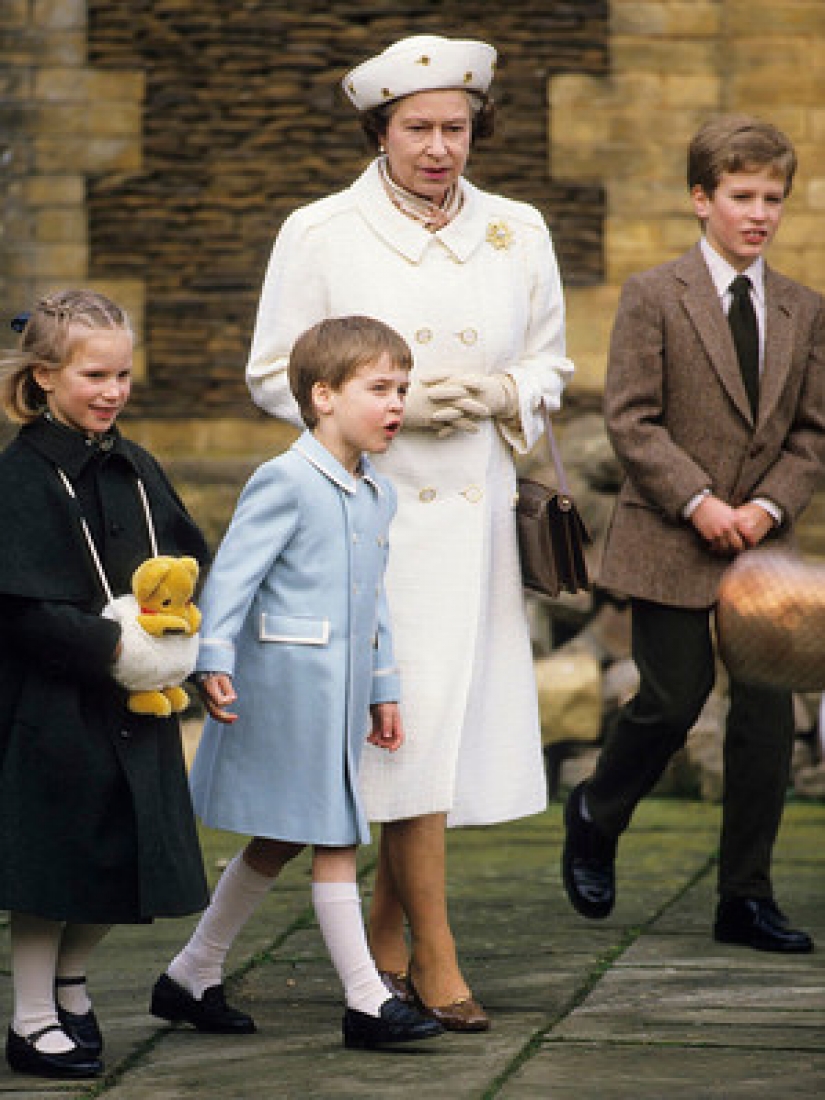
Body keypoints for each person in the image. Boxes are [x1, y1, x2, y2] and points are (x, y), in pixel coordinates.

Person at [242, 33, 574, 1030]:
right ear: (379, 130)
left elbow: (554, 363)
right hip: (367, 518)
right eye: (418, 128)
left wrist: (504, 389)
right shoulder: (320, 231)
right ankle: (436, 950)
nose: (439, 148)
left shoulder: (517, 228)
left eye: (456, 128)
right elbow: (272, 373)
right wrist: (385, 407)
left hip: (470, 522)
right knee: (402, 731)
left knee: (432, 740)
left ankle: (386, 937)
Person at [562, 115, 825, 952]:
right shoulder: (653, 294)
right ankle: (596, 814)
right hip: (671, 533)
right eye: (741, 196)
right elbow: (630, 420)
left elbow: (812, 434)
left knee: (764, 719)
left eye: (772, 198)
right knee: (670, 702)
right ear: (700, 198)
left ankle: (743, 898)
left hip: (762, 550)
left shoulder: (802, 308)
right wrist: (701, 502)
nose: (758, 213)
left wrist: (766, 509)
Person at [150, 316, 443, 1050]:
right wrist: (211, 659)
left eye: (401, 389)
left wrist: (383, 686)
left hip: (339, 699)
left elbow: (373, 599)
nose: (395, 404)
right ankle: (367, 999)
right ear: (322, 396)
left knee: (280, 838)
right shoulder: (283, 479)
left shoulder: (376, 492)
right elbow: (234, 578)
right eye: (378, 388)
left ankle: (191, 973)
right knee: (335, 835)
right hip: (285, 690)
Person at [0, 290, 209, 1079]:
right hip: (53, 703)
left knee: (129, 855)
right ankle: (28, 1020)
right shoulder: (19, 478)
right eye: (94, 375)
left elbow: (186, 565)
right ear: (46, 376)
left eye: (122, 374)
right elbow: (20, 610)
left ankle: (71, 981)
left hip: (139, 703)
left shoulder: (133, 464)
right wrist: (111, 646)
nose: (113, 391)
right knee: (52, 866)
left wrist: (194, 651)